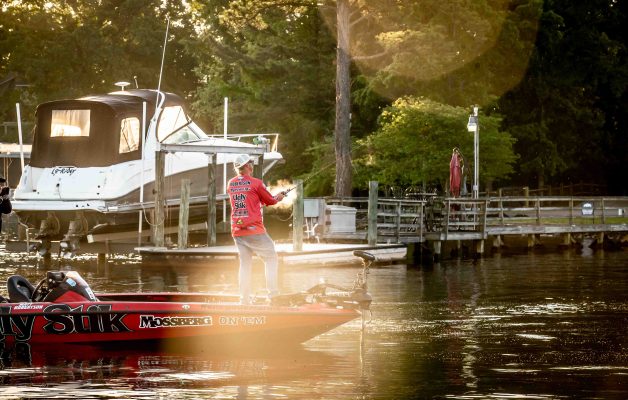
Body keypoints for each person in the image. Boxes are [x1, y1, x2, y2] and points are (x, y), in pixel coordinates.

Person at [227, 154, 285, 304]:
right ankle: (273, 295)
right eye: (251, 163)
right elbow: (270, 201)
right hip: (254, 231)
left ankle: (244, 300)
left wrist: (262, 200)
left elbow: (250, 199)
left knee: (245, 265)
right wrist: (278, 197)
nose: (252, 165)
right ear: (247, 166)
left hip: (237, 231)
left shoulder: (231, 184)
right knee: (271, 258)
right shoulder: (256, 183)